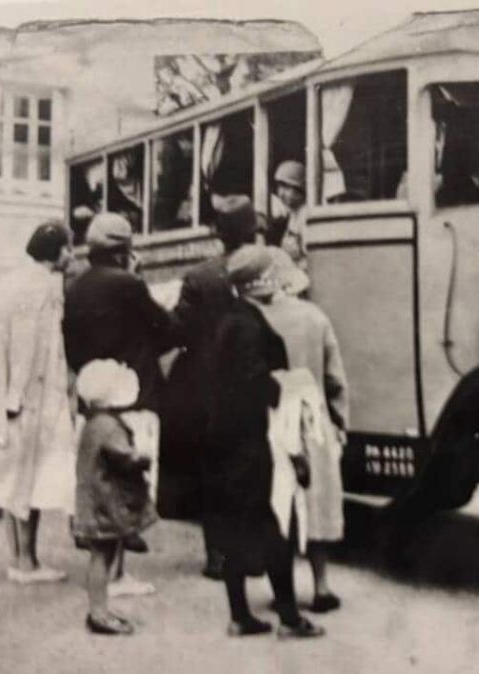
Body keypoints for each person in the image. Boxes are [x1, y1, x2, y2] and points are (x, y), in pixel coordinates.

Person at [205, 244, 323, 639]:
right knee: (275, 526)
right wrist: (289, 387)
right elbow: (255, 383)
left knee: (236, 528)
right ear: (259, 282)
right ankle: (289, 619)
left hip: (226, 440)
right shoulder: (248, 326)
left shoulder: (230, 319)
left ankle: (241, 615)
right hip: (251, 443)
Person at [0, 222, 77, 584]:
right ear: (55, 250)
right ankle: (25, 562)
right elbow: (25, 345)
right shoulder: (38, 287)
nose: (72, 254)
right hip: (29, 398)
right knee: (27, 478)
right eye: (68, 248)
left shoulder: (21, 281)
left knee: (19, 478)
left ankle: (22, 558)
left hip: (23, 395)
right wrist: (15, 395)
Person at [64, 212, 175, 596]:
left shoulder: (75, 287)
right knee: (130, 482)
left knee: (102, 482)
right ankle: (118, 574)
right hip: (133, 392)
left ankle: (106, 571)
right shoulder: (128, 284)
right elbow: (166, 332)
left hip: (94, 396)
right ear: (124, 250)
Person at [165, 196, 260, 577]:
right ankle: (252, 557)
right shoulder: (266, 268)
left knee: (214, 472)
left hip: (208, 387)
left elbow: (178, 330)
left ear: (220, 235)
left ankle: (218, 558)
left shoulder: (200, 277)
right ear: (252, 231)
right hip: (253, 382)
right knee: (251, 470)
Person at [257, 248, 349, 613]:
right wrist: (340, 421)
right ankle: (322, 587)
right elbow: (335, 378)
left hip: (271, 417)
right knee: (317, 502)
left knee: (277, 503)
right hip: (313, 420)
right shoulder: (316, 317)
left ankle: (283, 592)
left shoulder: (256, 318)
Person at [72, 359, 157, 636]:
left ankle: (99, 608)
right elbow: (123, 456)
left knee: (101, 554)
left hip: (94, 499)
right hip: (104, 503)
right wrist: (142, 458)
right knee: (102, 555)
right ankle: (98, 612)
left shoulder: (93, 422)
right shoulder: (109, 426)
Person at [268, 160, 308, 271]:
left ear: (300, 189)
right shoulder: (293, 214)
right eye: (280, 187)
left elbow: (311, 258)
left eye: (286, 187)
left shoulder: (305, 215)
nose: (281, 193)